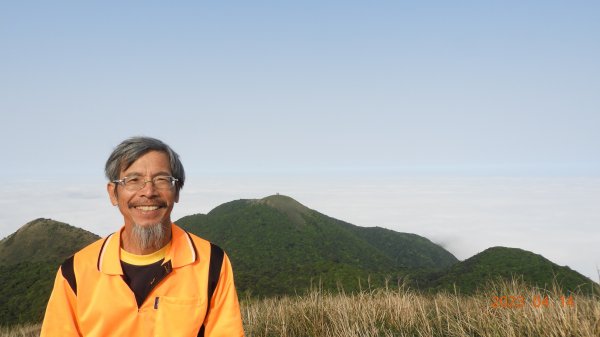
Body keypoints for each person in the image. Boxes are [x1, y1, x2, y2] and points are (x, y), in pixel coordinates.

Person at [41, 136, 244, 337]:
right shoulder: (76, 271)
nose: (148, 191)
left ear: (177, 191)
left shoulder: (211, 262)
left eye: (161, 179)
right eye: (133, 180)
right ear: (113, 193)